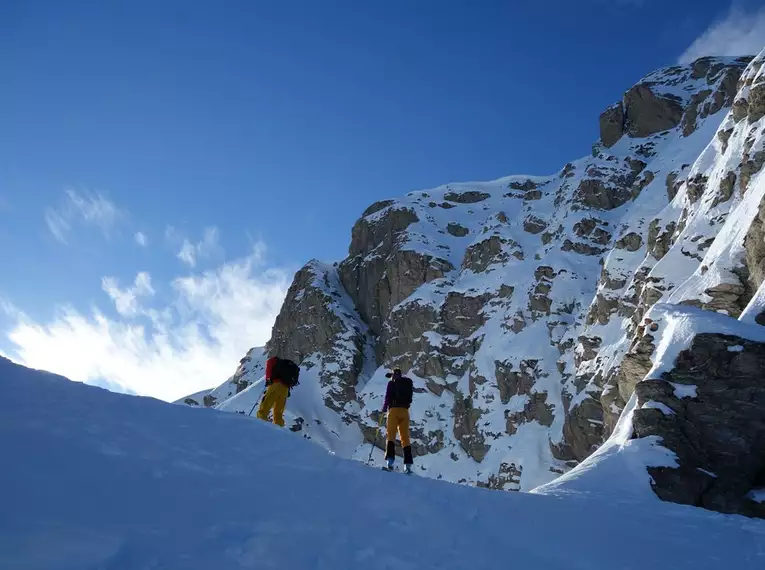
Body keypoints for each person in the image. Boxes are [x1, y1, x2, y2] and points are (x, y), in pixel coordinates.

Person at [382, 368, 414, 473]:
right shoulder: (407, 384)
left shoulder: (391, 384)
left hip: (393, 411)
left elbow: (387, 397)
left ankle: (390, 464)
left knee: (391, 435)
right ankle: (407, 466)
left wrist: (384, 408)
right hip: (405, 412)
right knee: (405, 438)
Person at [256, 356, 299, 427]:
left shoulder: (274, 360)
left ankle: (260, 427)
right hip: (285, 389)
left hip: (276, 384)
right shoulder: (289, 367)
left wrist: (268, 379)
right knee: (278, 413)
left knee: (264, 408)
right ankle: (279, 431)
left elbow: (269, 366)